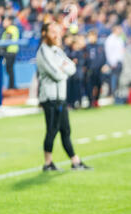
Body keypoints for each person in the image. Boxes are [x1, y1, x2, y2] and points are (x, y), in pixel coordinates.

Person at [36, 22, 92, 171]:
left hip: (60, 97)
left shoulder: (57, 50)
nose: (56, 35)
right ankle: (48, 163)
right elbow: (55, 74)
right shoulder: (43, 51)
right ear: (44, 33)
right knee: (52, 130)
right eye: (53, 32)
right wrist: (62, 69)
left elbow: (72, 68)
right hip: (50, 97)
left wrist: (63, 69)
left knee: (65, 130)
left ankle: (75, 161)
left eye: (57, 32)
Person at [85, 29, 106, 108]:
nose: (92, 38)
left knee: (98, 85)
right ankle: (90, 102)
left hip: (99, 70)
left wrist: (104, 65)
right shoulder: (86, 47)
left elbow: (103, 57)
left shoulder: (99, 46)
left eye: (93, 36)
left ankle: (96, 101)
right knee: (90, 86)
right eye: (90, 36)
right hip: (90, 70)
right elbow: (85, 58)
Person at [104, 25, 125, 97]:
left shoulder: (119, 39)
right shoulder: (110, 39)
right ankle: (113, 94)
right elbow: (108, 52)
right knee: (113, 78)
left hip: (119, 62)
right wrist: (112, 62)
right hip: (113, 63)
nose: (121, 31)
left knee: (118, 79)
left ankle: (117, 94)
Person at [1, 16, 19, 89]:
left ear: (9, 21)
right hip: (13, 52)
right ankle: (11, 86)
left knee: (9, 69)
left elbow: (7, 40)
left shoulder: (10, 29)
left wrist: (1, 51)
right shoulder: (12, 29)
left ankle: (11, 87)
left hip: (9, 52)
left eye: (5, 21)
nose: (3, 23)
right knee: (10, 69)